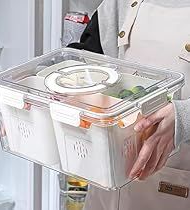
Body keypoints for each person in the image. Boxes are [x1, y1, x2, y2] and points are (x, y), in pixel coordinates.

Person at [69, 0, 190, 209]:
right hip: (107, 182)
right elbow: (88, 57)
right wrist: (56, 80)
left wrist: (185, 118)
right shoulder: (118, 3)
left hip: (176, 183)